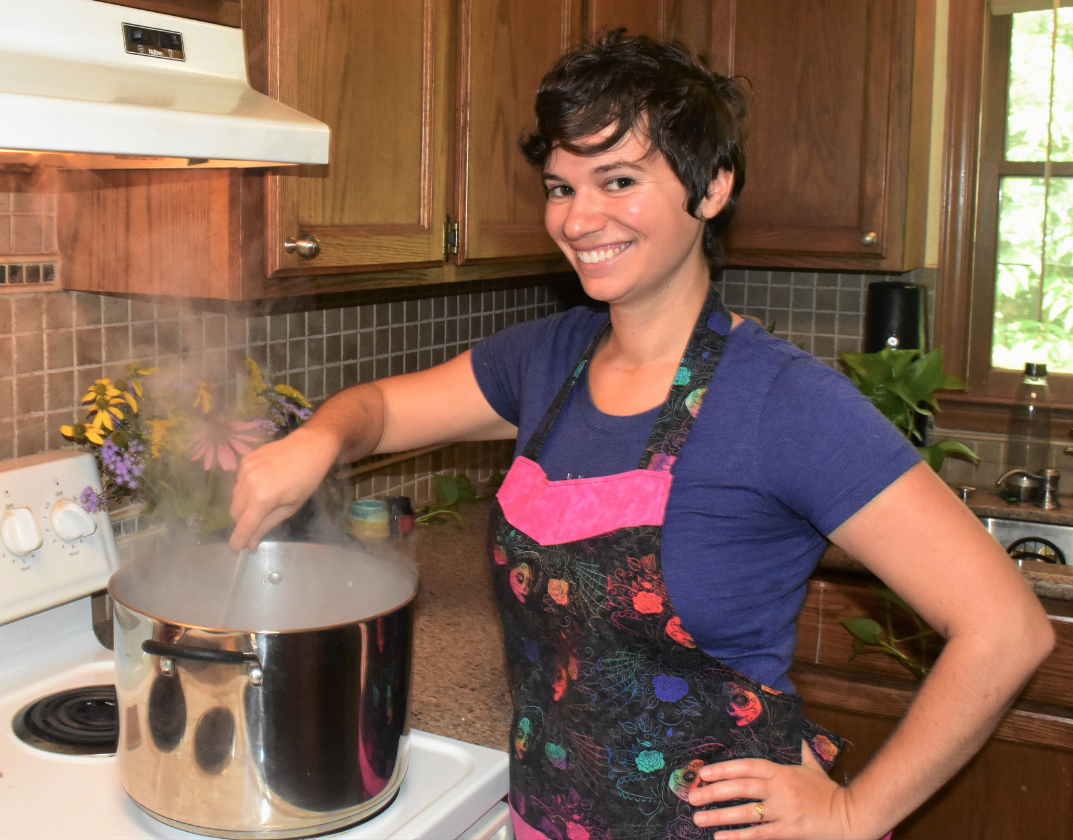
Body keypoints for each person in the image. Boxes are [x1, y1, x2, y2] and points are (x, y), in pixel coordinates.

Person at [229, 32, 1053, 840]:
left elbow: (1006, 629)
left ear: (711, 187)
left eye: (616, 180)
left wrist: (851, 813)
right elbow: (377, 408)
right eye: (559, 187)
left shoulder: (784, 402)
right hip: (547, 812)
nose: (579, 218)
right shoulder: (545, 358)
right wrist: (321, 440)